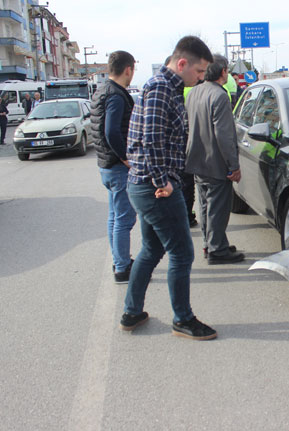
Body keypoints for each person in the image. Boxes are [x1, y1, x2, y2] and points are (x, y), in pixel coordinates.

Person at [122, 35, 217, 341]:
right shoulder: (162, 88)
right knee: (182, 253)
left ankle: (132, 312)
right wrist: (162, 180)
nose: (201, 78)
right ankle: (183, 319)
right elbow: (151, 139)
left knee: (151, 249)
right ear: (182, 63)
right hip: (156, 187)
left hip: (146, 183)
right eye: (199, 72)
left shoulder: (168, 87)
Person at [185, 54, 244, 264]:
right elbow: (224, 135)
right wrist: (233, 165)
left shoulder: (194, 92)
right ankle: (217, 250)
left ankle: (210, 244)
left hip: (197, 160)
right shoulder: (219, 96)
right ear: (223, 72)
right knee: (218, 209)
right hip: (216, 162)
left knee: (205, 207)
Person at [90, 50, 138, 284]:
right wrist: (126, 157)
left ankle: (119, 260)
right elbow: (111, 131)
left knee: (114, 216)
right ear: (128, 69)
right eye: (133, 70)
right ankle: (122, 267)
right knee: (124, 218)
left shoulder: (102, 90)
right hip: (117, 166)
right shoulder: (116, 95)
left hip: (105, 164)